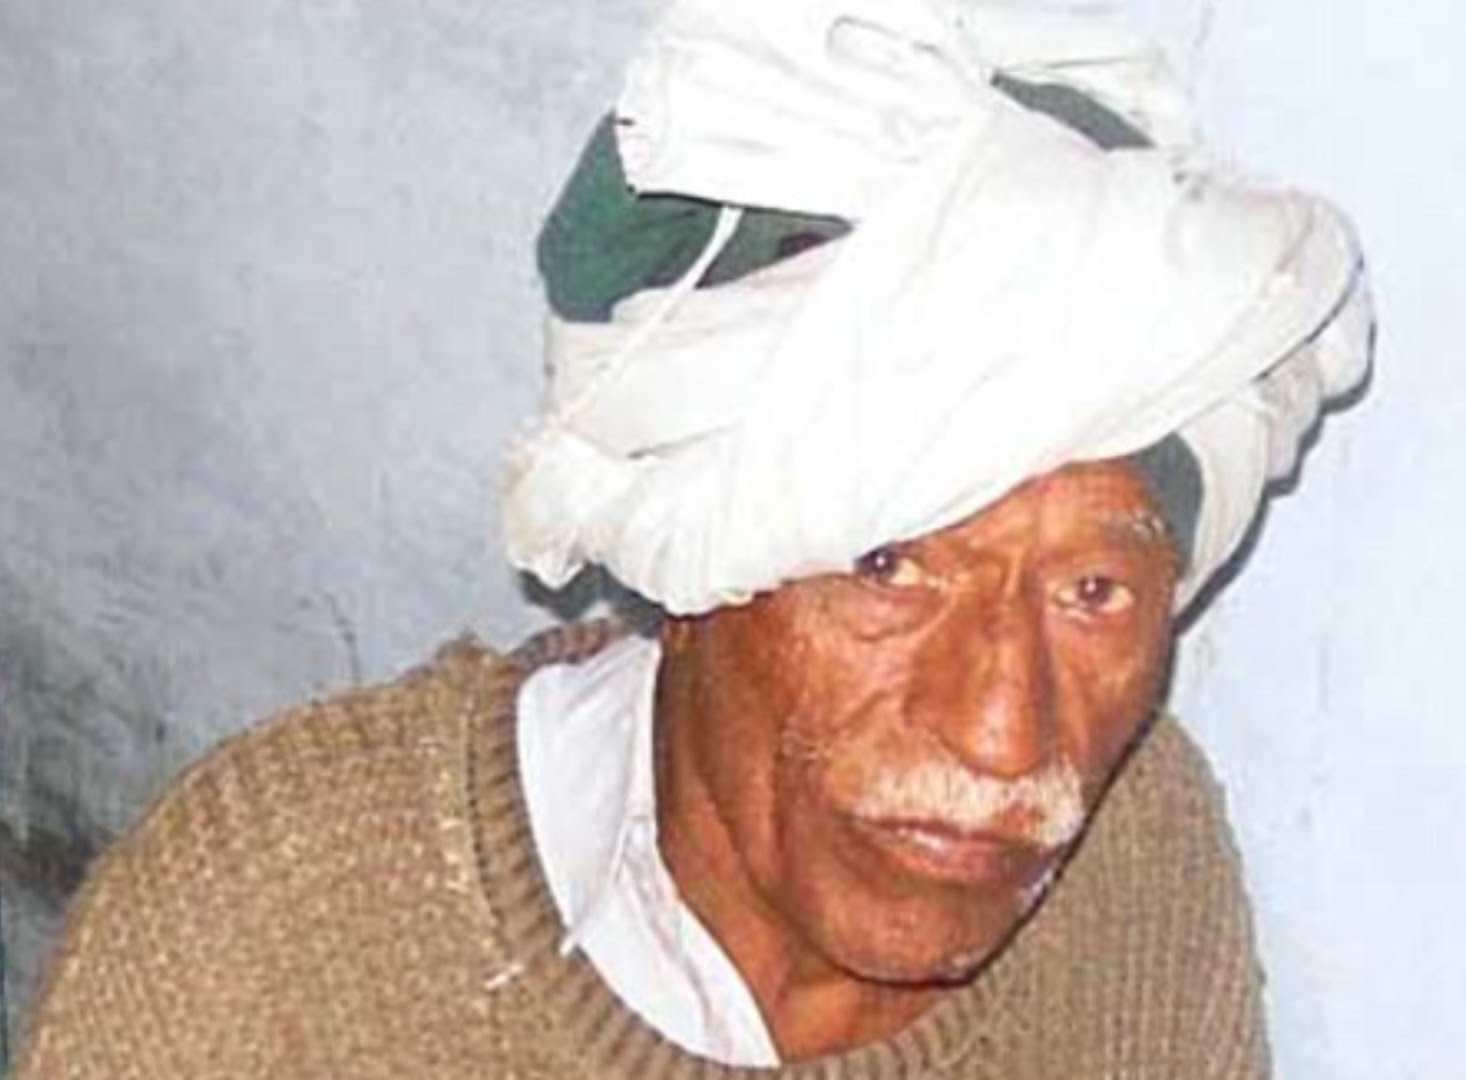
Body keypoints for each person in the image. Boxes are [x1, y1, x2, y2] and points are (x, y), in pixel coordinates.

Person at [17, 1, 1373, 1076]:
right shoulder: (273, 933)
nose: (1006, 738)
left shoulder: (1140, 869)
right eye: (889, 568)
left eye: (1093, 592)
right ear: (692, 577)